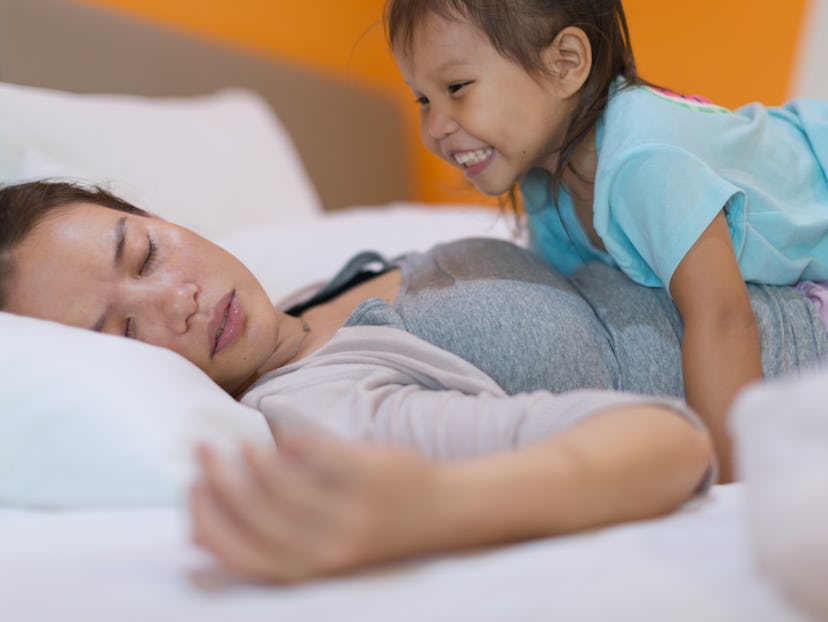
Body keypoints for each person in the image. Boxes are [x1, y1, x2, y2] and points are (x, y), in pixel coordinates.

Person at [0, 181, 824, 584]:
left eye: (144, 252)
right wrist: (432, 509)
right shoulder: (318, 398)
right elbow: (668, 444)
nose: (172, 300)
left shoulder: (301, 300)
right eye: (121, 332)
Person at [383, 0, 828, 483]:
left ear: (566, 64)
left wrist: (730, 485)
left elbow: (721, 317)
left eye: (457, 88)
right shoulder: (543, 181)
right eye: (423, 99)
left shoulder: (643, 158)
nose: (436, 127)